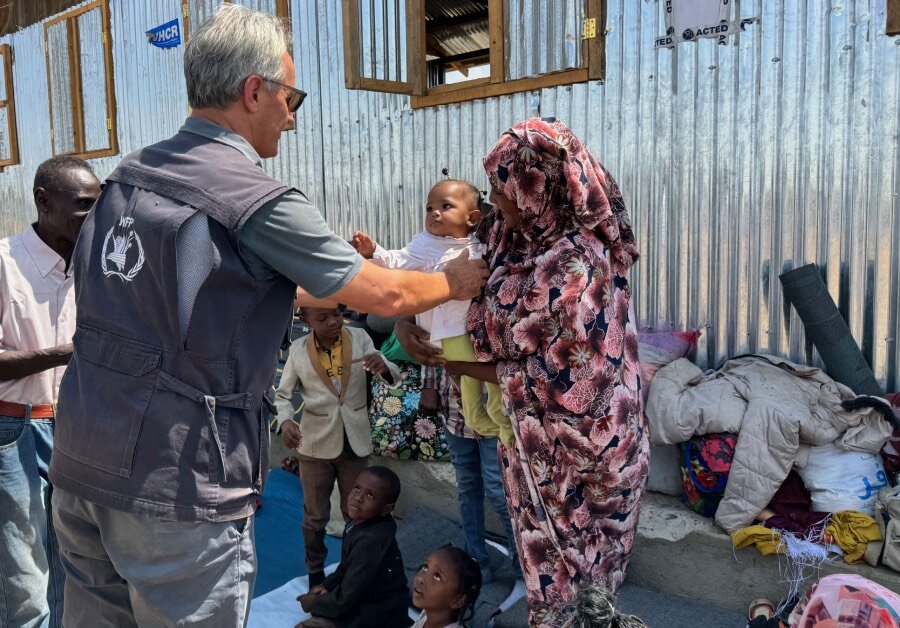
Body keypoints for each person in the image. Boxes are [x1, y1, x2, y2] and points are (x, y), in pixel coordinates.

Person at [48, 6, 487, 627]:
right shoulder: (252, 197)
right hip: (173, 477)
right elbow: (382, 296)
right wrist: (452, 280)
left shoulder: (128, 178)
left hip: (81, 454)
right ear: (253, 91)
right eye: (291, 96)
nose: (293, 115)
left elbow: (196, 296)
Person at [396, 118, 648, 627]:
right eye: (491, 185)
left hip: (582, 457)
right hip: (532, 447)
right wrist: (405, 319)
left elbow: (568, 385)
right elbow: (438, 270)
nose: (495, 199)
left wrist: (458, 363)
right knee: (550, 582)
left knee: (579, 589)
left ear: (540, 186)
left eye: (503, 186)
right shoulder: (515, 232)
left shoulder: (575, 265)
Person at [0, 155, 99, 628]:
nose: (93, 216)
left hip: (76, 431)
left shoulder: (94, 267)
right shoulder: (4, 263)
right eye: (82, 205)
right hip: (13, 430)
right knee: (25, 577)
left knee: (72, 564)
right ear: (43, 201)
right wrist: (68, 353)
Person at [353, 179, 511, 445]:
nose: (434, 213)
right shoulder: (423, 244)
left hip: (473, 334)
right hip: (444, 336)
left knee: (488, 392)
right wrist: (374, 251)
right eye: (429, 208)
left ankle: (501, 427)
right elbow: (397, 261)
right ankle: (490, 426)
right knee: (469, 392)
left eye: (445, 206)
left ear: (472, 218)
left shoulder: (480, 246)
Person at [274, 305, 401, 588]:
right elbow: (282, 396)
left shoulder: (359, 339)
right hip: (315, 444)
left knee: (356, 513)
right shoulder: (296, 350)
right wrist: (285, 422)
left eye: (335, 314)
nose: (333, 322)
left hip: (355, 441)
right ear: (305, 320)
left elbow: (389, 371)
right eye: (322, 318)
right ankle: (315, 570)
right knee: (315, 514)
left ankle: (352, 568)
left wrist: (384, 367)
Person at [420, 363, 519, 583]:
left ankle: (523, 565)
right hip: (454, 413)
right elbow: (428, 339)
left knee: (498, 489)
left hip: (495, 415)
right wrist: (429, 385)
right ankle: (476, 562)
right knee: (467, 486)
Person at [297, 466, 409, 628]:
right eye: (357, 488)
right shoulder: (358, 522)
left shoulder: (370, 540)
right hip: (367, 596)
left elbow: (347, 597)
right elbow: (346, 568)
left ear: (386, 509)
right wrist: (326, 586)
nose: (358, 498)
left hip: (379, 610)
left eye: (370, 495)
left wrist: (315, 603)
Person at [411, 544, 483, 628]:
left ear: (457, 601)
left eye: (437, 576)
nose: (420, 578)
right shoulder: (426, 615)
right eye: (425, 567)